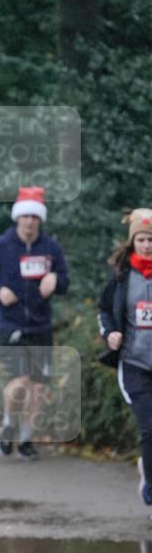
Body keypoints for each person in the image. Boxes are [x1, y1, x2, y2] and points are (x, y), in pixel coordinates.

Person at [0, 187, 69, 460]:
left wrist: (56, 281)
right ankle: (8, 425)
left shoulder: (50, 247)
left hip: (41, 326)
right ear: (18, 218)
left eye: (34, 217)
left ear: (40, 219)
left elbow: (64, 279)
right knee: (19, 382)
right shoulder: (1, 245)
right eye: (25, 216)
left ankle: (26, 440)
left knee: (38, 387)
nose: (29, 222)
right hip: (10, 325)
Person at [98, 207, 152, 509]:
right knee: (149, 427)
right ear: (133, 242)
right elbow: (104, 310)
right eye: (142, 239)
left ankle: (148, 466)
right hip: (133, 363)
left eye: (151, 240)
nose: (147, 245)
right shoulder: (121, 275)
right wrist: (111, 333)